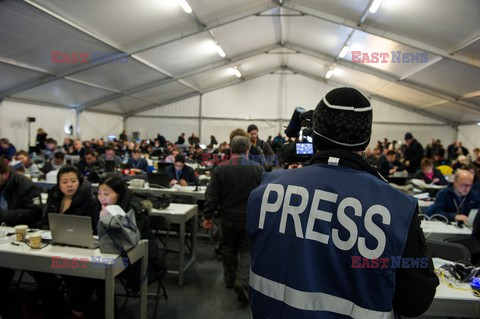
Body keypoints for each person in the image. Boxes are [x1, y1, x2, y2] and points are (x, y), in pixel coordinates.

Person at [247, 87, 438, 318]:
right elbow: (415, 301)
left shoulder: (265, 190)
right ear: (365, 142)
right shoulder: (396, 208)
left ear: (315, 133)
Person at [202, 135, 265, 303]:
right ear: (248, 150)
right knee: (246, 250)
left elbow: (212, 196)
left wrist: (207, 216)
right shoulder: (258, 169)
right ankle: (242, 282)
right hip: (249, 218)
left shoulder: (220, 169)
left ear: (231, 149)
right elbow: (264, 196)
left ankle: (229, 280)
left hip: (227, 218)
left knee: (229, 247)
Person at [97, 176, 166, 292]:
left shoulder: (135, 207)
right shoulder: (105, 206)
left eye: (106, 194)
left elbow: (129, 239)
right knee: (87, 272)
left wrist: (109, 219)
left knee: (96, 271)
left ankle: (106, 308)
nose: (101, 198)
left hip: (140, 259)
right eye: (99, 194)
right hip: (113, 253)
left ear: (119, 193)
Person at [0, 157, 42, 226]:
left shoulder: (27, 186)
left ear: (5, 174)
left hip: (19, 229)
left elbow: (35, 213)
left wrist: (3, 215)